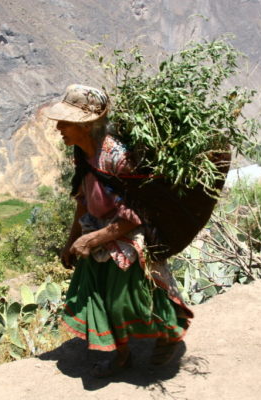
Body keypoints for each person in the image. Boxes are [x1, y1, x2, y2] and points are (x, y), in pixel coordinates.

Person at [45, 84, 193, 378]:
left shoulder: (118, 157)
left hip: (125, 233)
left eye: (66, 121)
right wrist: (73, 239)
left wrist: (94, 238)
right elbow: (83, 200)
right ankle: (118, 354)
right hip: (98, 229)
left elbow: (137, 214)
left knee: (124, 300)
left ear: (86, 125)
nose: (59, 127)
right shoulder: (82, 154)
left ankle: (168, 334)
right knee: (94, 295)